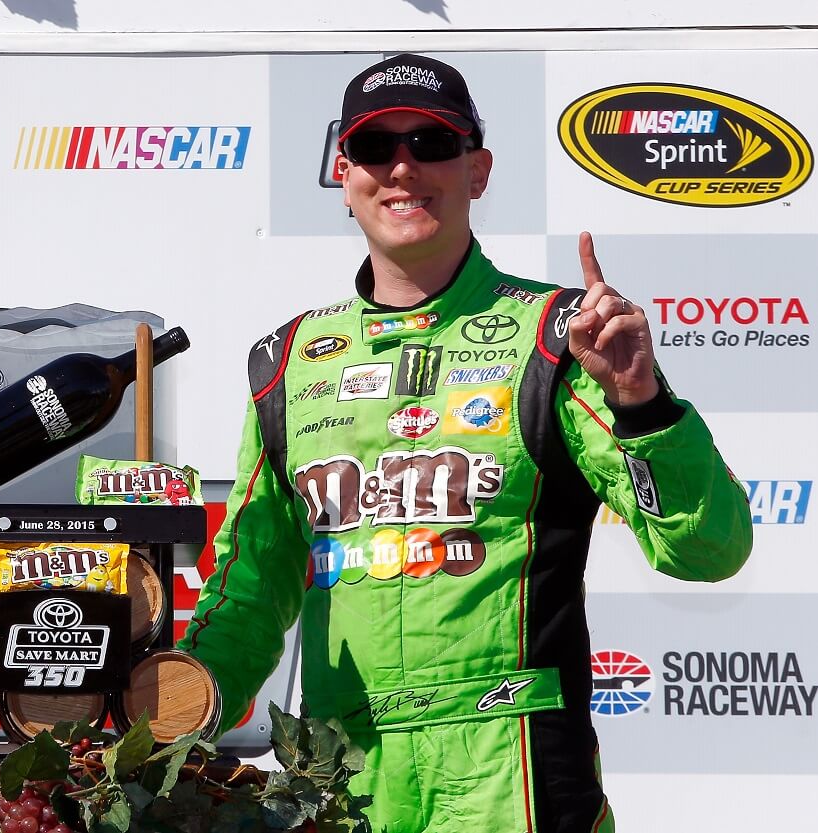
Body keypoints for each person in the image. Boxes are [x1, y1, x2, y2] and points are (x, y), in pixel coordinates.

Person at [176, 53, 752, 833]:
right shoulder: (287, 362)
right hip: (348, 784)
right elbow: (246, 595)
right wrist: (162, 717)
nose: (404, 166)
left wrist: (641, 402)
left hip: (512, 772)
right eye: (378, 147)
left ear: (476, 170)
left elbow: (708, 548)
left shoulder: (558, 337)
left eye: (433, 143)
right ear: (344, 173)